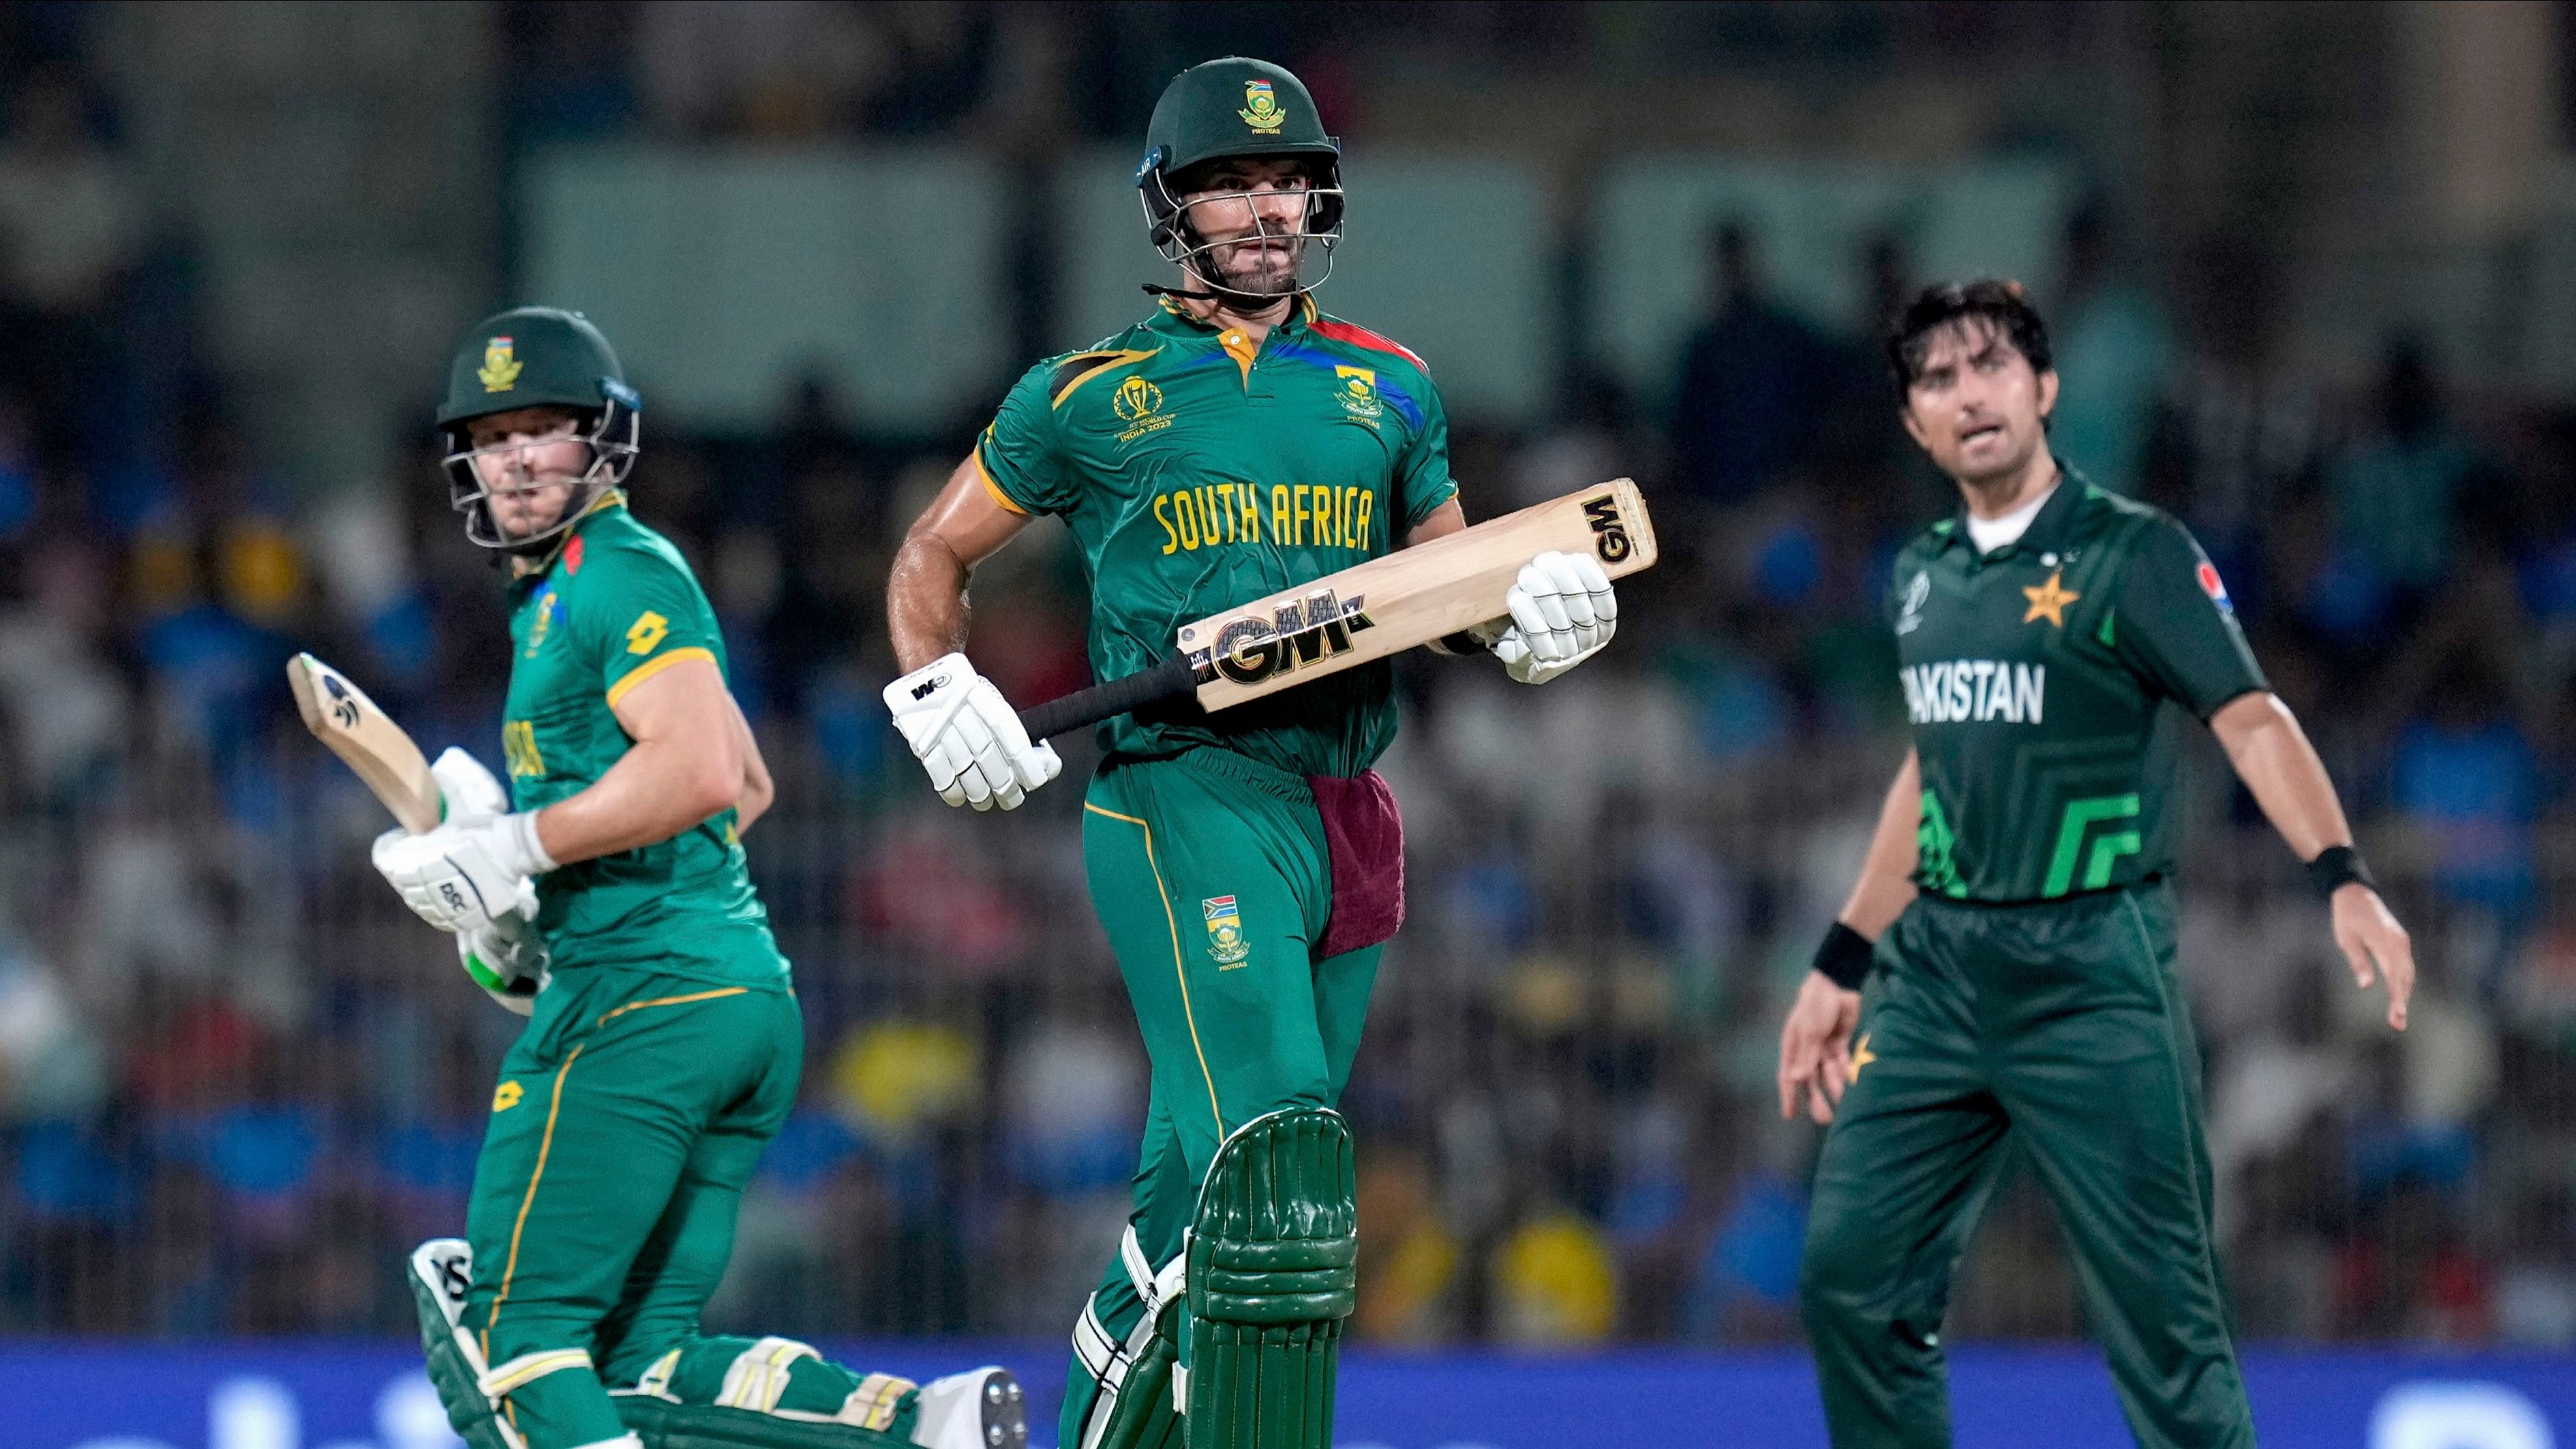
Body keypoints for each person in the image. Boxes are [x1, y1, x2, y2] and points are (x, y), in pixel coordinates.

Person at [881, 57, 1620, 1449]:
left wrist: (1521, 624)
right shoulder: (1084, 395)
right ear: (1172, 209)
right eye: (1233, 183)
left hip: (1349, 811)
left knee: (1191, 1207)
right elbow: (936, 548)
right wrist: (936, 685)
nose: (1268, 208)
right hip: (1182, 790)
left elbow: (1439, 583)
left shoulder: (1389, 386)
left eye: (1288, 181)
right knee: (1278, 1165)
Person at [1775, 281, 2416, 1449]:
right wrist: (1843, 953)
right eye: (1937, 379)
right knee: (1850, 1282)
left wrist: (2344, 872)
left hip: (2092, 969)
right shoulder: (1920, 574)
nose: (1969, 393)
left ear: (2046, 388)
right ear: (1913, 423)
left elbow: (2252, 718)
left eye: (1993, 366)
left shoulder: (2135, 553)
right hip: (1938, 975)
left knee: (2167, 1333)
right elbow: (1934, 772)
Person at [372, 307, 1023, 1449]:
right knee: (638, 1361)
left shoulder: (614, 573)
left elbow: (708, 766)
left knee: (516, 1346)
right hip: (724, 993)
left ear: (603, 443)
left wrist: (515, 850)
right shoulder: (584, 586)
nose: (518, 457)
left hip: (647, 994)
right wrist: (540, 923)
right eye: (492, 436)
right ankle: (925, 1425)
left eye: (545, 429)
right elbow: (752, 787)